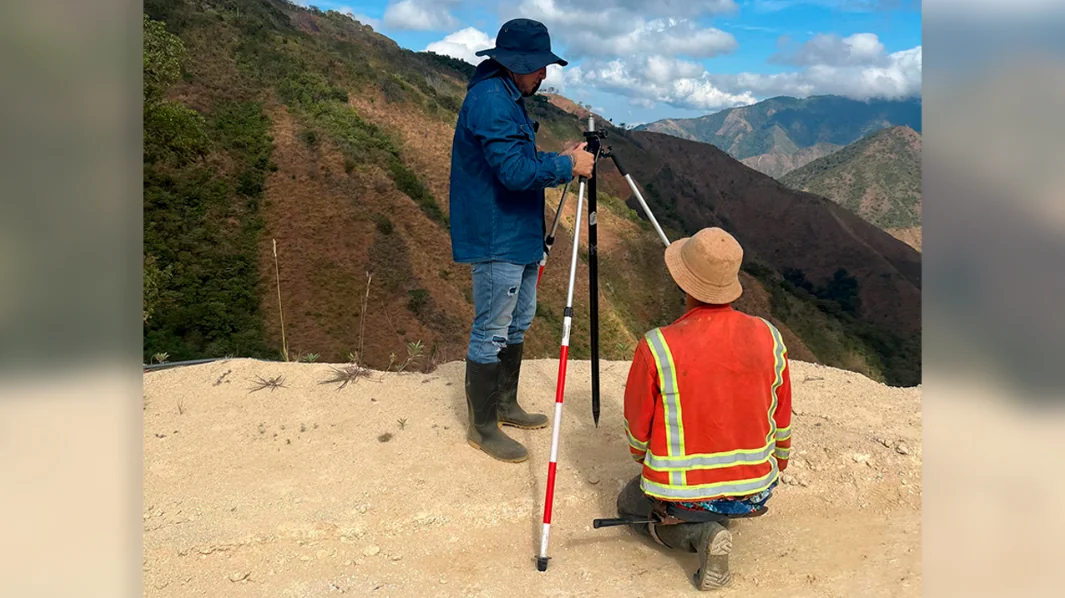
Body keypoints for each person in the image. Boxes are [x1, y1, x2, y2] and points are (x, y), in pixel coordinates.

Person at [449, 18, 595, 464]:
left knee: (518, 321)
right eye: (536, 67)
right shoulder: (491, 101)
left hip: (519, 230)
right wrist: (568, 168)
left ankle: (506, 405)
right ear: (514, 64)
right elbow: (514, 174)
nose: (543, 75)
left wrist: (560, 158)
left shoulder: (505, 96)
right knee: (492, 329)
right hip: (498, 234)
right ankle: (483, 427)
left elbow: (517, 157)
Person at [616, 227, 793, 591]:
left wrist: (644, 460)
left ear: (685, 284)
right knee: (717, 501)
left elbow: (638, 431)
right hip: (754, 488)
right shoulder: (770, 336)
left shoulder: (657, 346)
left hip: (681, 491)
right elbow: (781, 415)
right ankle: (718, 520)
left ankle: (700, 537)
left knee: (630, 503)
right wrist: (777, 463)